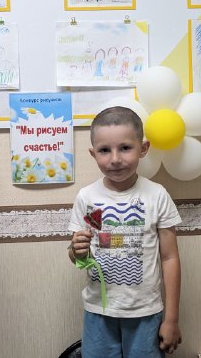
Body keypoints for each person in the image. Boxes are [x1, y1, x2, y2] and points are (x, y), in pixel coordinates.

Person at [68, 106, 183, 357]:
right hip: (98, 311)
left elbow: (170, 258)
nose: (115, 159)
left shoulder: (156, 195)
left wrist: (172, 319)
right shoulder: (86, 197)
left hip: (145, 312)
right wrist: (76, 250)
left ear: (143, 148)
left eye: (125, 148)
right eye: (104, 150)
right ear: (93, 154)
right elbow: (78, 257)